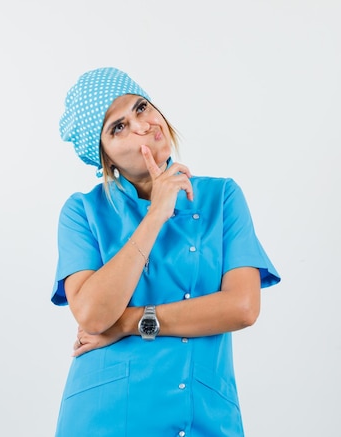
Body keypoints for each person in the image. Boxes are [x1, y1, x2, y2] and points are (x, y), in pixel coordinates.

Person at [51, 67, 281, 436]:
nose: (142, 125)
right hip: (106, 418)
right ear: (105, 157)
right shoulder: (83, 211)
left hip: (203, 416)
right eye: (118, 127)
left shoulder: (223, 197)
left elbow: (242, 308)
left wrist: (128, 322)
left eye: (141, 107)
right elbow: (93, 315)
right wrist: (158, 211)